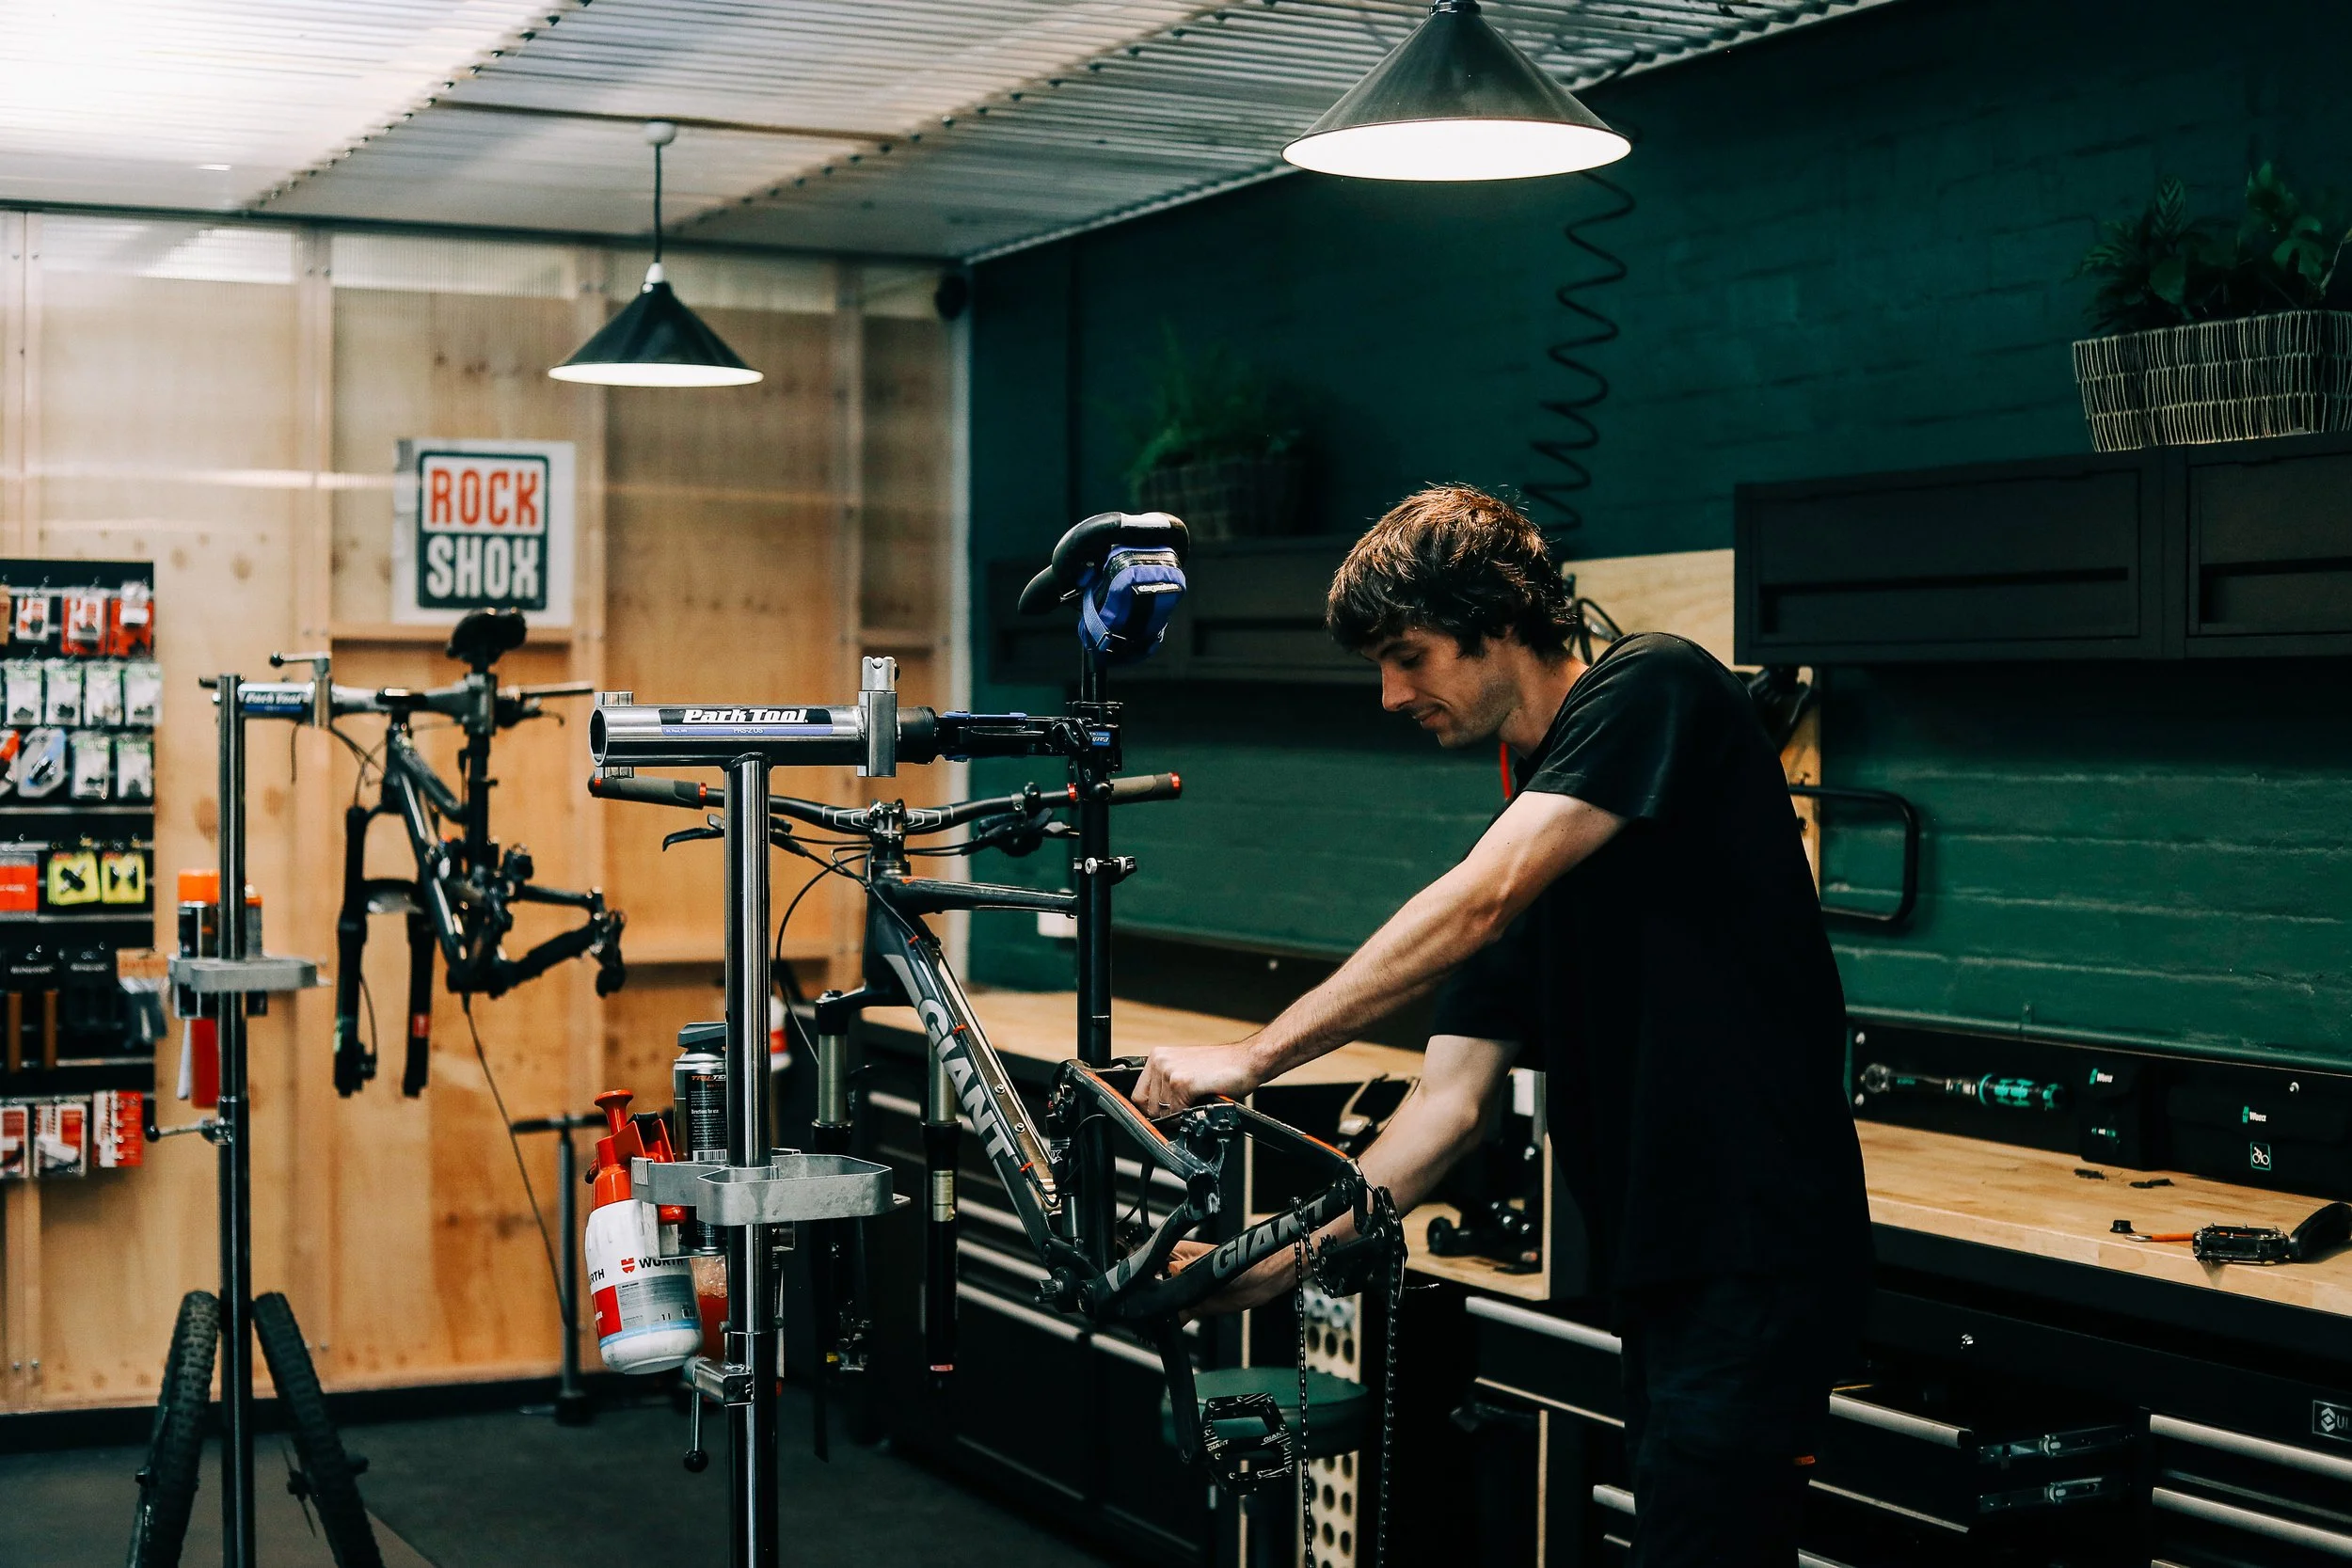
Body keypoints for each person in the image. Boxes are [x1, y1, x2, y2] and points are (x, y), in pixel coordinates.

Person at [1133, 483, 1871, 1568]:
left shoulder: (1655, 688)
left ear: (1500, 625)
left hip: (1756, 1252)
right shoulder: (1537, 838)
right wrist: (1286, 1257)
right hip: (1662, 1262)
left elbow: (1477, 896)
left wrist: (1250, 1057)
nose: (1389, 694)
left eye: (1410, 655)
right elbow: (1449, 1106)